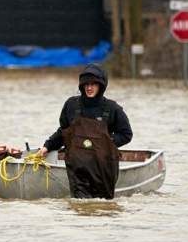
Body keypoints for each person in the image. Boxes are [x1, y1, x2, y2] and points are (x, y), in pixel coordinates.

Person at [39, 63, 132, 199]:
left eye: (93, 84)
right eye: (86, 84)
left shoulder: (112, 108)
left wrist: (106, 142)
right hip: (78, 170)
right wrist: (47, 146)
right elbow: (63, 132)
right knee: (80, 205)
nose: (89, 87)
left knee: (102, 206)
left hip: (103, 169)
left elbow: (126, 134)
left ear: (101, 85)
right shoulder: (71, 105)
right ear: (81, 85)